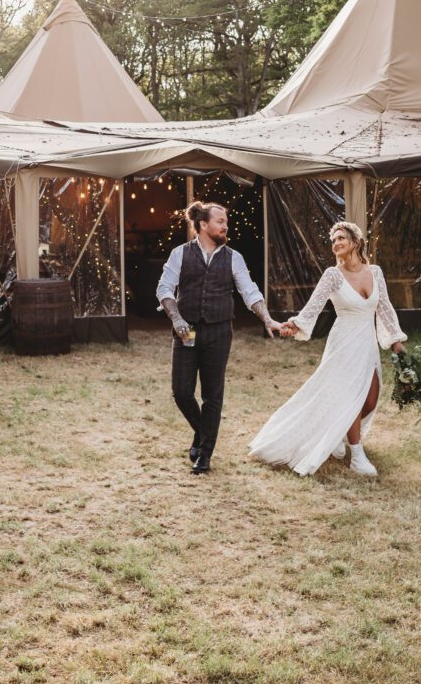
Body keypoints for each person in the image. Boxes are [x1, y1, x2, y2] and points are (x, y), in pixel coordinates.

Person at [249, 221, 406, 477]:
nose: (335, 244)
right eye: (333, 241)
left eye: (341, 238)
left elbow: (385, 309)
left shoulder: (375, 272)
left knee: (370, 400)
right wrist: (295, 324)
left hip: (367, 342)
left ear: (355, 242)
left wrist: (397, 343)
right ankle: (356, 454)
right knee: (350, 396)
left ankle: (339, 431)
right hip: (343, 341)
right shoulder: (332, 275)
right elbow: (313, 306)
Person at [158, 200, 282, 474]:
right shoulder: (180, 254)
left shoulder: (233, 258)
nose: (226, 226)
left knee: (212, 395)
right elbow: (165, 288)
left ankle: (205, 453)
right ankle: (203, 432)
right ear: (203, 225)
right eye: (220, 221)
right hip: (187, 329)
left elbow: (249, 292)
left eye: (226, 221)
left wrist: (267, 318)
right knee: (181, 392)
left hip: (218, 331)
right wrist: (177, 319)